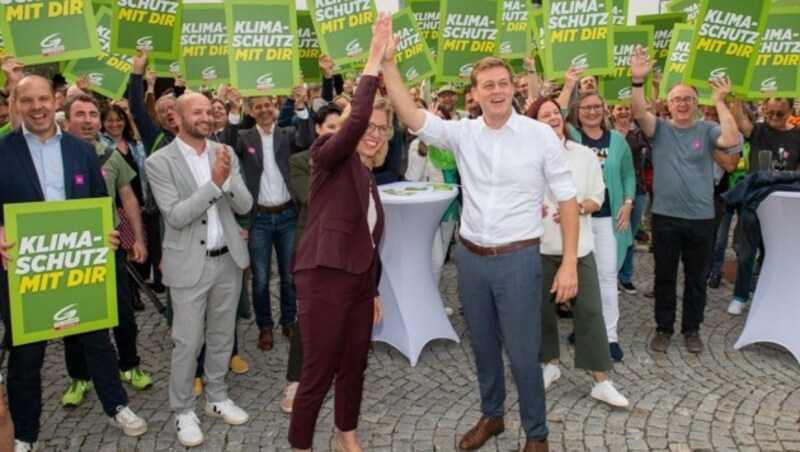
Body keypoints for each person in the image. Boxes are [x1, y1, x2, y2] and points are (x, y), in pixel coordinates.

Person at [385, 43, 579, 452]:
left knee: (525, 354)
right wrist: (388, 64)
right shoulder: (461, 132)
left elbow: (567, 199)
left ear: (515, 88)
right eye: (487, 84)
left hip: (519, 260)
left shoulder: (540, 136)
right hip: (472, 259)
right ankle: (492, 415)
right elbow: (410, 115)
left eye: (503, 83)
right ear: (474, 93)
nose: (496, 90)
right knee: (484, 345)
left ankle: (537, 436)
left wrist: (569, 266)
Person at [0, 75, 147, 452]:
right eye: (27, 100)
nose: (37, 106)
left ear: (55, 103)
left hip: (80, 266)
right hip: (23, 270)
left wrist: (109, 233)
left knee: (97, 340)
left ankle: (117, 406)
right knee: (26, 355)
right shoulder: (2, 151)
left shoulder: (84, 152)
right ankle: (25, 434)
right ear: (16, 105)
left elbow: (101, 204)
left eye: (43, 99)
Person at [289, 14, 392, 451]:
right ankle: (300, 445)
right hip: (323, 278)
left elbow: (368, 243)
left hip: (356, 286)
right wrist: (373, 60)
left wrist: (371, 291)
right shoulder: (327, 157)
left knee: (354, 364)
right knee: (317, 371)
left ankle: (346, 434)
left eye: (382, 130)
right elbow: (354, 123)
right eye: (367, 126)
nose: (373, 134)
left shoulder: (369, 179)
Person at [145, 93, 253, 447]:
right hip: (189, 264)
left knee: (223, 334)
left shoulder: (224, 152)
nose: (207, 117)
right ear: (177, 117)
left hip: (228, 259)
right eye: (198, 112)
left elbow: (245, 203)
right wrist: (214, 184)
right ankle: (183, 410)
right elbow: (175, 216)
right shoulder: (159, 162)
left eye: (209, 111)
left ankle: (217, 396)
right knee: (187, 341)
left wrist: (228, 178)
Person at [629, 47, 741, 354]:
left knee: (696, 279)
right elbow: (639, 113)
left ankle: (691, 329)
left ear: (695, 103)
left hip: (701, 219)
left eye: (688, 99)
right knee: (664, 277)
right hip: (665, 218)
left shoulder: (707, 129)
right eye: (676, 99)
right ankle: (663, 329)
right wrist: (638, 82)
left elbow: (731, 142)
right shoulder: (660, 129)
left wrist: (720, 103)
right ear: (668, 103)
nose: (682, 103)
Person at [526, 96, 629, 407]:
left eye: (555, 113)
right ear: (534, 124)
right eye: (544, 115)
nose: (553, 118)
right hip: (541, 246)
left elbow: (598, 197)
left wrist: (578, 208)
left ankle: (601, 380)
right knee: (542, 311)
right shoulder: (528, 157)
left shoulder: (583, 155)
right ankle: (550, 365)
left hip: (580, 248)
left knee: (591, 312)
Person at [60, 94, 153, 404]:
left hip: (108, 247)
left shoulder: (110, 155)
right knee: (73, 317)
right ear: (67, 120)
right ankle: (79, 376)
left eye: (92, 115)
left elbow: (127, 198)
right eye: (80, 115)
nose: (88, 120)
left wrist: (137, 239)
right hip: (70, 251)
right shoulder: (56, 156)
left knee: (123, 312)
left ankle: (129, 365)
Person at [235, 90, 313, 351]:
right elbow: (225, 143)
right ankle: (264, 327)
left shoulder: (288, 134)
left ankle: (288, 321)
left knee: (290, 275)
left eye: (267, 105)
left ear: (275, 106)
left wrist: (301, 106)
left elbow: (307, 139)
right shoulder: (244, 137)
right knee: (260, 279)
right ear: (250, 111)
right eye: (257, 106)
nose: (264, 110)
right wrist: (233, 110)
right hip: (259, 219)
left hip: (288, 215)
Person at [282, 105, 342, 414]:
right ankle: (295, 379)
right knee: (307, 314)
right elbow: (311, 198)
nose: (336, 132)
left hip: (345, 246)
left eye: (340, 127)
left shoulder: (354, 158)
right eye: (330, 127)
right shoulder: (299, 161)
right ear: (318, 129)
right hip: (312, 247)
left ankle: (331, 371)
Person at [568, 91, 635, 362]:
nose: (592, 112)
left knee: (607, 278)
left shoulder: (617, 141)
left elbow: (628, 174)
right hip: (578, 219)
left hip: (608, 219)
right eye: (585, 107)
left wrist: (629, 202)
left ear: (604, 109)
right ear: (577, 111)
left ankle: (609, 336)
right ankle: (584, 329)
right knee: (582, 279)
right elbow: (549, 113)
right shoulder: (570, 137)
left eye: (597, 106)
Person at [727, 97, 800, 314]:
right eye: (771, 113)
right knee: (746, 252)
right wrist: (736, 95)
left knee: (775, 253)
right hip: (755, 200)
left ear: (790, 110)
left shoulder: (797, 135)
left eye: (780, 113)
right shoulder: (759, 130)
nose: (774, 118)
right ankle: (740, 296)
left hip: (783, 204)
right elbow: (739, 121)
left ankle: (770, 294)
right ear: (764, 109)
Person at [611, 104, 651, 295]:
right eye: (619, 109)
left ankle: (626, 277)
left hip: (638, 190)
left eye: (627, 108)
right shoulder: (607, 134)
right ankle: (612, 275)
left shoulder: (639, 134)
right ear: (612, 111)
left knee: (630, 236)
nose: (623, 112)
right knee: (616, 232)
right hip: (614, 191)